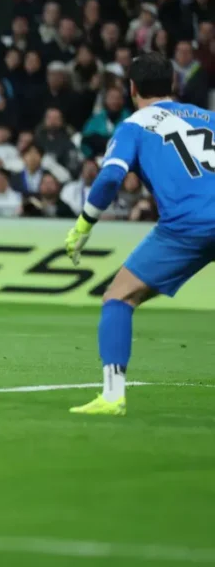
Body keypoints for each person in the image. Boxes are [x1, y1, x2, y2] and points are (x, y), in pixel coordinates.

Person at [65, 52, 215, 416]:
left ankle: (112, 396)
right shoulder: (209, 117)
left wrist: (83, 225)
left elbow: (110, 178)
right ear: (173, 84)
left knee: (118, 298)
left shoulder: (133, 126)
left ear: (132, 88)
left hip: (187, 227)